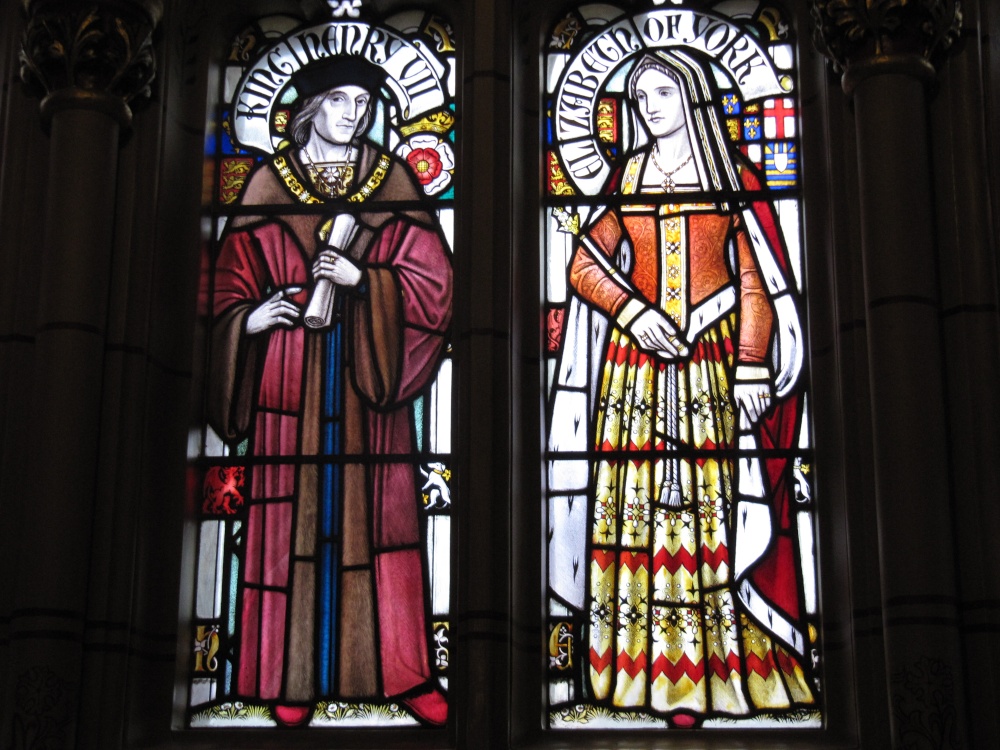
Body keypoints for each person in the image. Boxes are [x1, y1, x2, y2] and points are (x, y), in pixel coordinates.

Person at [564, 51, 813, 722]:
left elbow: (758, 278)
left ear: (693, 99)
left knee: (718, 511)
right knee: (635, 514)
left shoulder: (734, 178)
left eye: (663, 94)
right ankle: (635, 674)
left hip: (713, 362)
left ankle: (725, 672)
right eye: (640, 97)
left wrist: (753, 362)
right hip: (637, 371)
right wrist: (632, 312)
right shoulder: (628, 176)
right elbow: (584, 263)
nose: (650, 108)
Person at [208, 56, 451, 726]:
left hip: (370, 378)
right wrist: (248, 320)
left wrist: (364, 281)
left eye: (364, 104)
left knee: (383, 524)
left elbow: (436, 283)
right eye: (341, 102)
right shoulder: (266, 183)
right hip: (289, 378)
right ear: (310, 110)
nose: (355, 115)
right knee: (291, 519)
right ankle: (284, 678)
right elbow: (224, 285)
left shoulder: (392, 179)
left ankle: (402, 673)